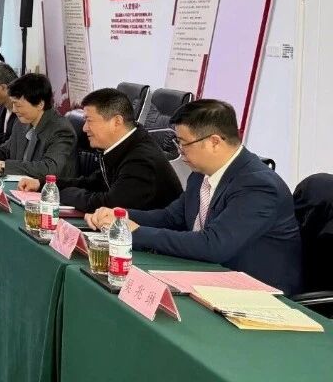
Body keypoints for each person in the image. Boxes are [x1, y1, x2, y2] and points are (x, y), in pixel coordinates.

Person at [86, 100, 303, 295]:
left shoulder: (259, 186)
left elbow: (213, 245)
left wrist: (135, 232)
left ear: (214, 142)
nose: (179, 151)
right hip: (210, 279)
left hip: (258, 295)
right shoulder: (200, 175)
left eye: (183, 143)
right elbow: (171, 218)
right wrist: (120, 217)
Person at [18, 88, 181, 213]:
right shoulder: (123, 147)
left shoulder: (141, 160)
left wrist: (61, 193)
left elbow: (109, 204)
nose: (84, 128)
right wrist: (44, 184)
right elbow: (91, 183)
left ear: (116, 122)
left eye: (89, 120)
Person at [0, 73, 76, 180]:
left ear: (40, 104)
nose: (14, 110)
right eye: (13, 104)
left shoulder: (61, 130)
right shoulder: (21, 123)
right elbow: (6, 150)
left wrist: (4, 165)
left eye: (18, 105)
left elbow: (49, 168)